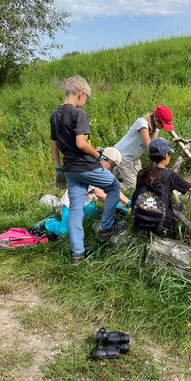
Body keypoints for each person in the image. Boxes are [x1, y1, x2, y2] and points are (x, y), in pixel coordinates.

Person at [50, 76, 125, 263]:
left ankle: (78, 253)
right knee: (114, 186)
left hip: (69, 169)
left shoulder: (55, 115)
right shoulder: (78, 114)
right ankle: (106, 228)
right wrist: (98, 156)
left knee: (76, 209)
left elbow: (53, 144)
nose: (85, 103)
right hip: (85, 165)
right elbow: (82, 144)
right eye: (86, 99)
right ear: (81, 94)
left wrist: (58, 170)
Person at [45, 148, 130, 237]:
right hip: (71, 205)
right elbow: (99, 193)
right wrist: (116, 205)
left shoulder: (103, 171)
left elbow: (114, 188)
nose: (111, 170)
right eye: (112, 166)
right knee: (64, 232)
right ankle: (49, 221)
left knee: (93, 214)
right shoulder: (91, 170)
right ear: (103, 158)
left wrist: (128, 202)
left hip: (86, 203)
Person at [132, 137, 191, 235]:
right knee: (179, 207)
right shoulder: (170, 175)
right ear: (166, 156)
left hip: (139, 219)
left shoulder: (141, 172)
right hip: (160, 223)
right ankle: (166, 231)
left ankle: (143, 227)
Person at [114, 105, 174, 190]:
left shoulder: (156, 127)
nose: (164, 127)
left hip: (134, 158)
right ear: (157, 120)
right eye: (163, 125)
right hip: (122, 156)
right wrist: (159, 166)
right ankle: (110, 186)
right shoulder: (142, 124)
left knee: (142, 182)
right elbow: (149, 147)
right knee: (133, 186)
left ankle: (118, 173)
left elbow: (155, 145)